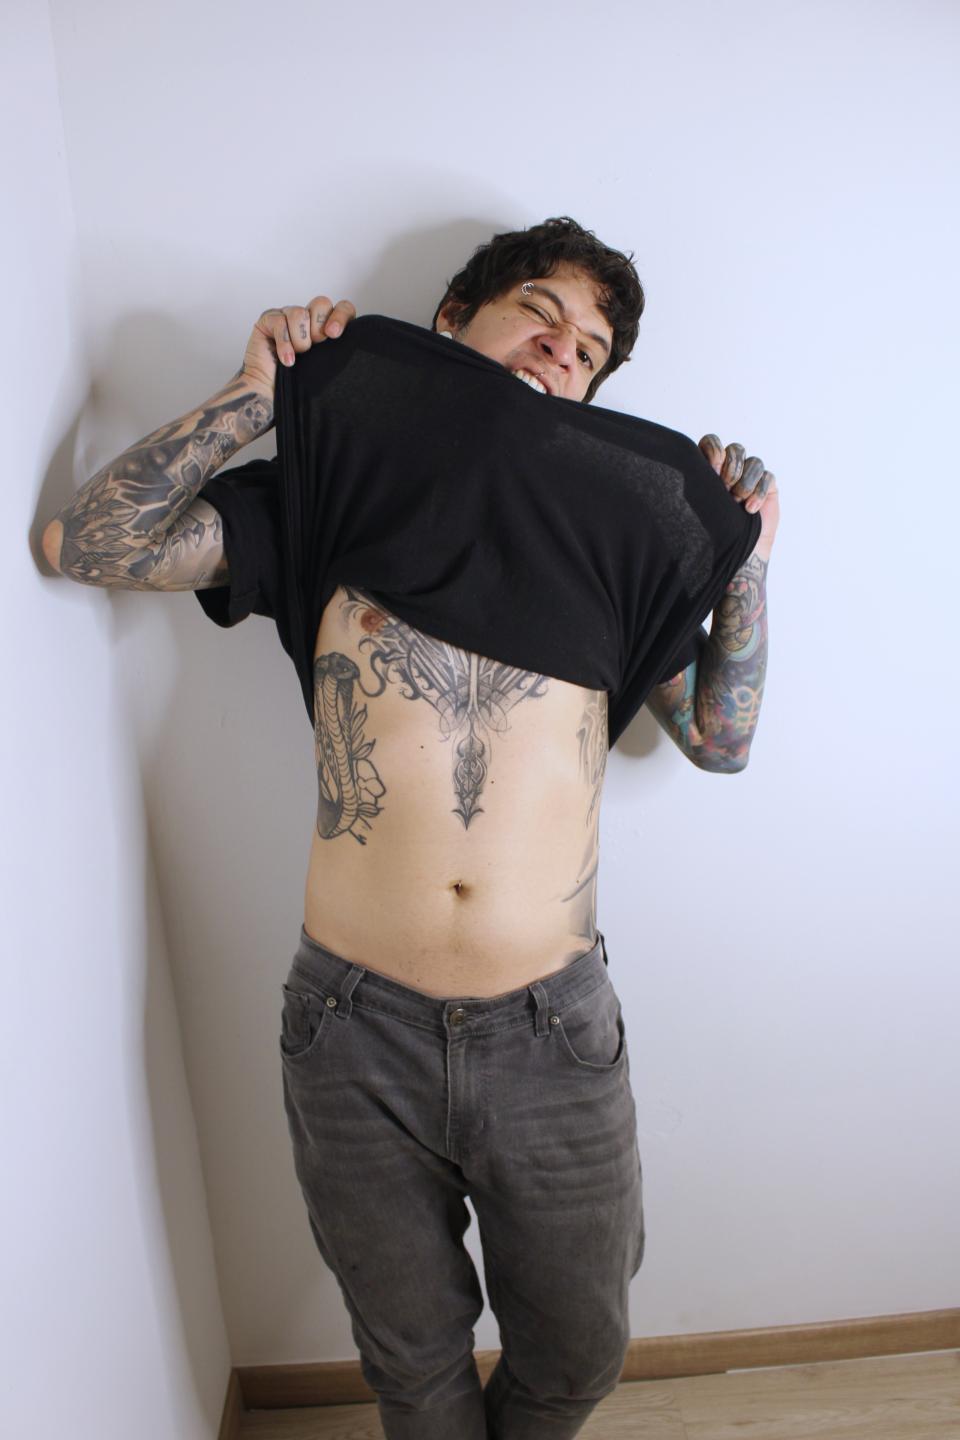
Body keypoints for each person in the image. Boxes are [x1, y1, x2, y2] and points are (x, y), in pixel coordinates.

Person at [42, 217, 779, 1439]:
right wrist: (256, 396)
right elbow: (88, 542)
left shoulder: (618, 542)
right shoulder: (339, 490)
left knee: (580, 1353)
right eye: (539, 310)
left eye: (589, 350)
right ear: (451, 321)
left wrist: (742, 558)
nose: (562, 347)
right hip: (353, 1029)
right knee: (414, 1368)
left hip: (553, 1030)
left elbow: (720, 737)